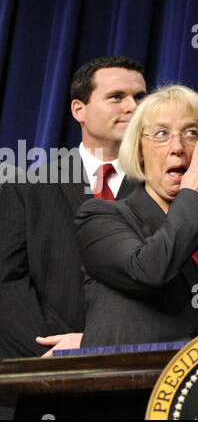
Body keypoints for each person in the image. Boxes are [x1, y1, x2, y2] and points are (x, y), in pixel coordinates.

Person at [73, 85, 198, 347]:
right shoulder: (100, 217)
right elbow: (147, 272)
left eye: (190, 134)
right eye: (162, 134)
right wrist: (192, 198)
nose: (177, 147)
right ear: (140, 151)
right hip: (129, 383)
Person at [0, 56, 148, 358]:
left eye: (140, 98)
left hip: (135, 369)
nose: (133, 107)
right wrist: (59, 352)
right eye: (117, 97)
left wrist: (98, 342)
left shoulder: (164, 190)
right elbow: (7, 285)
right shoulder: (26, 188)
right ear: (79, 109)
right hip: (41, 372)